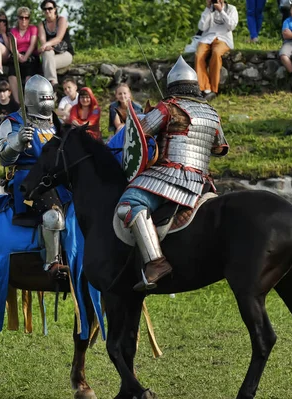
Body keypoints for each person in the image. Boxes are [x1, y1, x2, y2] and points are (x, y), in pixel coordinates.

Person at [115, 56, 228, 291]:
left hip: (171, 175)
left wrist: (151, 116)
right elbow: (219, 148)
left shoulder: (169, 106)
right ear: (195, 86)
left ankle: (156, 262)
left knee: (130, 203)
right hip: (203, 182)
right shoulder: (211, 112)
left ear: (172, 86)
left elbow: (141, 133)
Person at [0, 74, 69, 274]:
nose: (47, 102)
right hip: (29, 180)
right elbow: (3, 158)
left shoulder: (55, 122)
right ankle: (52, 263)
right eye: (43, 98)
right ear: (31, 98)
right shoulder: (13, 122)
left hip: (57, 179)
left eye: (49, 98)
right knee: (54, 215)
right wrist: (17, 142)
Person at [195, 0, 238, 102]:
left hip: (223, 39)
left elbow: (231, 26)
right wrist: (208, 9)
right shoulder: (209, 10)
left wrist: (221, 11)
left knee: (216, 53)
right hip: (207, 38)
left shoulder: (231, 9)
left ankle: (214, 89)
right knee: (198, 55)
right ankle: (205, 88)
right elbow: (201, 27)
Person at [37, 0, 74, 87]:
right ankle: (53, 84)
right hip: (50, 55)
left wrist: (46, 45)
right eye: (45, 9)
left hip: (65, 54)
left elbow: (59, 38)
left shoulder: (61, 20)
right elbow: (42, 40)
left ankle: (49, 86)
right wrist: (45, 46)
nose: (47, 11)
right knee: (47, 53)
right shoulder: (41, 25)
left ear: (55, 9)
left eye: (50, 8)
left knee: (47, 64)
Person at [8, 7, 39, 103]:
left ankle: (27, 101)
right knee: (12, 73)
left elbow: (33, 44)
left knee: (29, 73)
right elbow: (12, 45)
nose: (24, 20)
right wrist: (18, 55)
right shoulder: (13, 30)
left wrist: (25, 57)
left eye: (26, 17)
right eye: (21, 17)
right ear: (18, 18)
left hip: (30, 54)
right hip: (17, 54)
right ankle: (18, 102)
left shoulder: (33, 28)